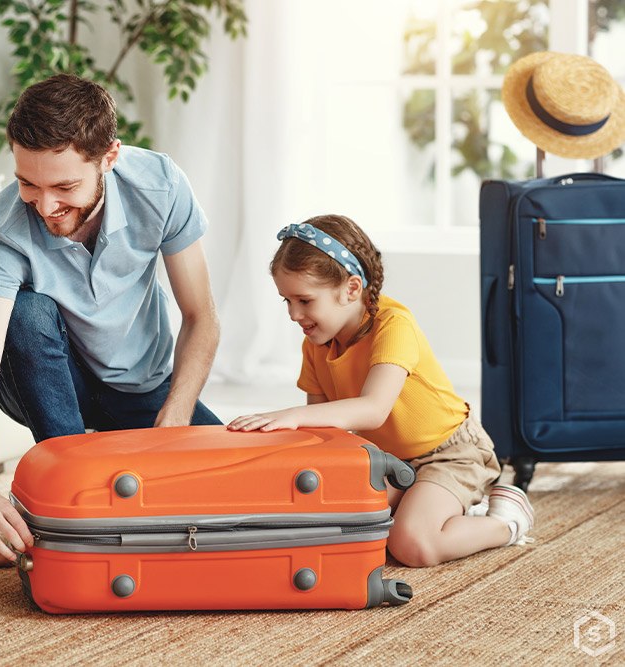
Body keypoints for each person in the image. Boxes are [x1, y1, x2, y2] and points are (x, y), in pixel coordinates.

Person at [0, 74, 222, 563]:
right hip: (50, 381)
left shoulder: (159, 184)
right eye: (28, 183)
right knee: (27, 312)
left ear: (109, 158)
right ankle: (74, 475)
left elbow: (201, 316)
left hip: (144, 384)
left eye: (65, 186)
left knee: (228, 486)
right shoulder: (2, 231)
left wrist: (175, 420)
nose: (46, 206)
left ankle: (98, 479)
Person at [227, 214, 535, 567]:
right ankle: (437, 509)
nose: (294, 314)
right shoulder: (315, 344)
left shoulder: (394, 325)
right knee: (339, 521)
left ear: (352, 289)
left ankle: (503, 522)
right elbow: (324, 432)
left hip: (450, 453)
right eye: (287, 302)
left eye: (305, 301)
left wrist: (290, 415)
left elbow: (374, 409)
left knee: (412, 544)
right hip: (391, 458)